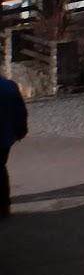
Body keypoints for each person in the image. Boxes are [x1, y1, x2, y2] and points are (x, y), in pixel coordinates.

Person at [0, 75, 28, 219]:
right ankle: (4, 206)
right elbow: (20, 111)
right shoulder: (9, 85)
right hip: (5, 137)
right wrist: (21, 130)